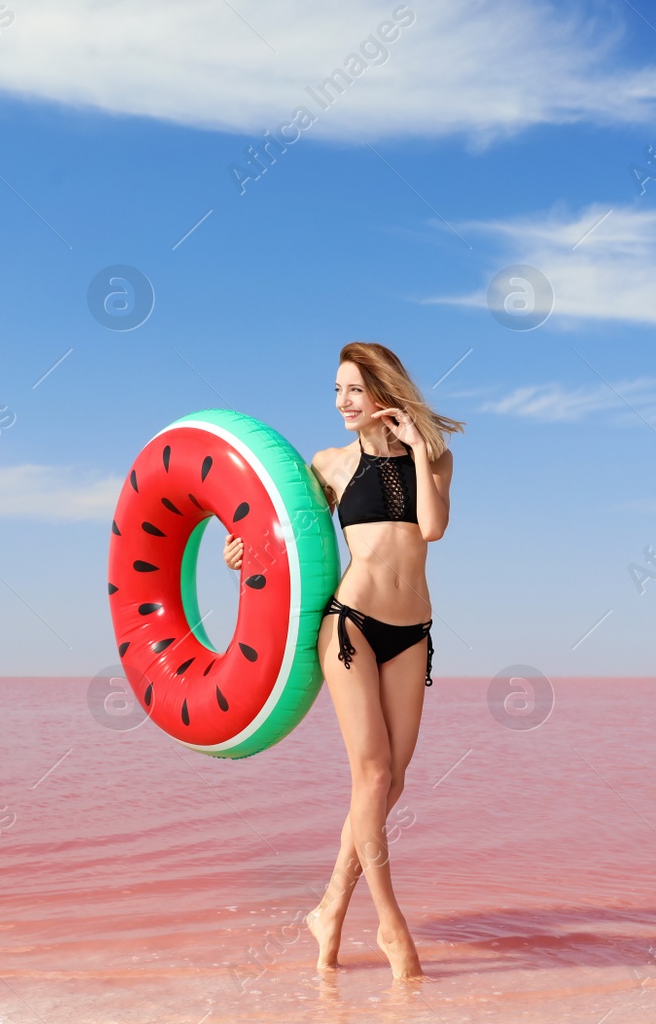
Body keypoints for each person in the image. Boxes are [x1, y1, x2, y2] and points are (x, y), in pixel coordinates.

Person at [223, 341, 463, 980]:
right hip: (351, 625)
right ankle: (390, 925)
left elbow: (433, 529)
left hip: (412, 632)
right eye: (336, 391)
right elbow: (284, 532)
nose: (341, 403)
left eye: (353, 390)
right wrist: (241, 548)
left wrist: (417, 447)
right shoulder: (328, 465)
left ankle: (330, 907)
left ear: (383, 391)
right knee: (375, 773)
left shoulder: (434, 459)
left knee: (392, 781)